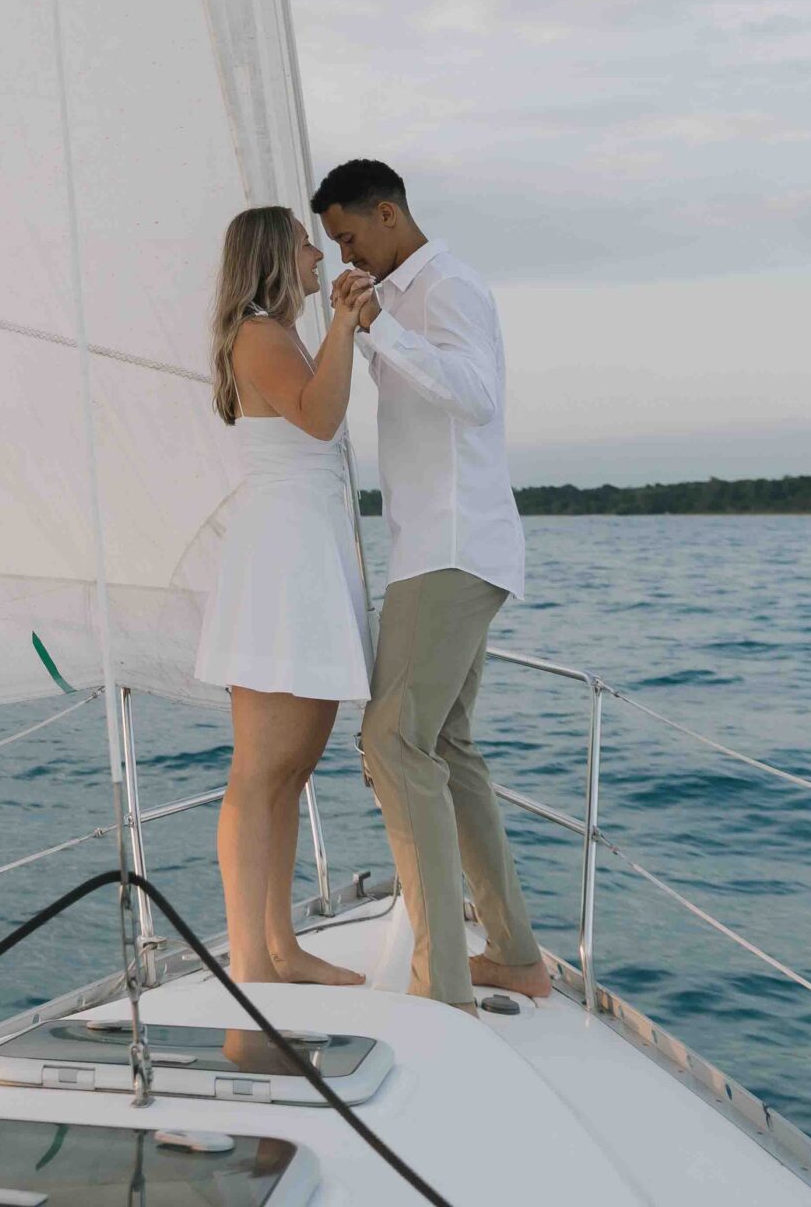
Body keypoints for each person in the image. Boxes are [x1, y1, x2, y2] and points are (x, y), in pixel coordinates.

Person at [310, 157, 550, 1011]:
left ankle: (441, 984)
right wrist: (366, 326)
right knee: (442, 747)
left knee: (392, 743)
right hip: (436, 548)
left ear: (385, 214)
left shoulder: (443, 287)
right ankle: (515, 956)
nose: (345, 254)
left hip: (450, 549)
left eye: (346, 237)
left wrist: (383, 327)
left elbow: (477, 399)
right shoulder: (398, 297)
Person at [195, 204, 373, 985]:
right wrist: (343, 323)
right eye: (306, 242)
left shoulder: (280, 334)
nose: (317, 252)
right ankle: (252, 963)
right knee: (260, 772)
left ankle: (280, 946)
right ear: (276, 253)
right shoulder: (261, 334)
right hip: (281, 565)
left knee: (291, 769)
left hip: (304, 554)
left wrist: (335, 329)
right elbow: (318, 417)